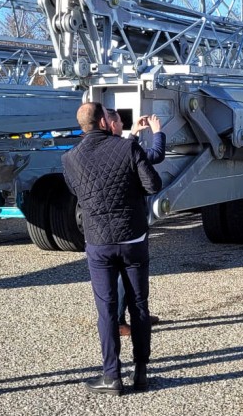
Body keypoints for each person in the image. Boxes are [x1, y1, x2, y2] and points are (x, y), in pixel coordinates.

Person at [62, 102, 163, 395]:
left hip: (99, 242)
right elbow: (152, 184)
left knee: (106, 311)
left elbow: (76, 191)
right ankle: (141, 373)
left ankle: (112, 376)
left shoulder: (69, 158)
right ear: (105, 122)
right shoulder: (126, 148)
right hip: (132, 237)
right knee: (139, 305)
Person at [104, 109, 165, 337]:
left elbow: (125, 150)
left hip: (106, 223)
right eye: (120, 121)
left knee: (122, 273)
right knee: (128, 273)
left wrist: (134, 134)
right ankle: (122, 320)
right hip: (128, 223)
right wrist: (158, 132)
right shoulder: (124, 149)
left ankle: (131, 316)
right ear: (110, 124)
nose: (123, 124)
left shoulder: (100, 149)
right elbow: (155, 155)